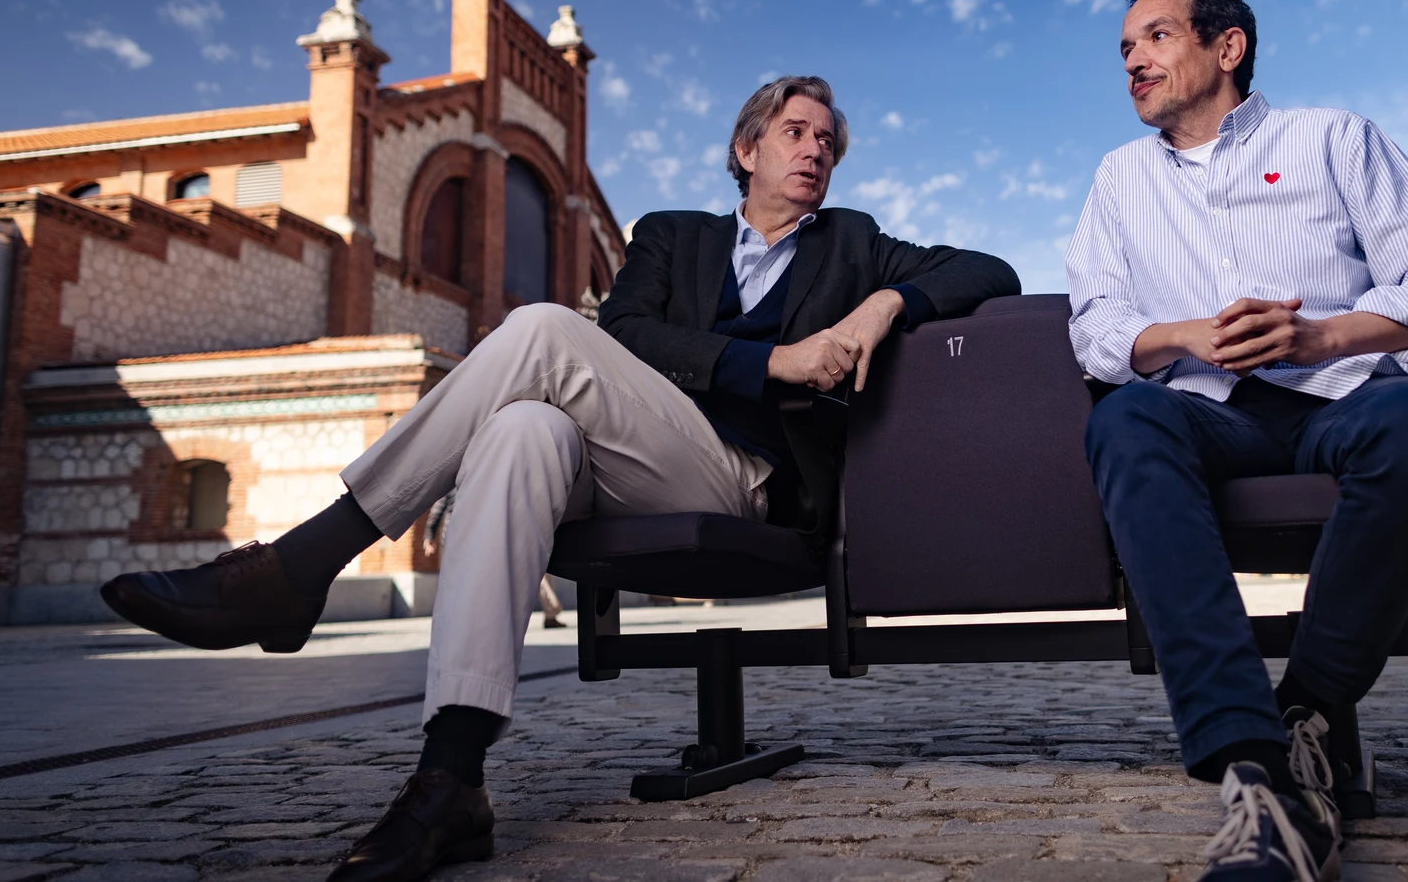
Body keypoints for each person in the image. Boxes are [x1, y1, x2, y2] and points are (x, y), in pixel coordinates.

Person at [101, 75, 1019, 882]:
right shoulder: (671, 236)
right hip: (631, 452)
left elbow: (992, 269)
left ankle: (302, 565)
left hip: (745, 478)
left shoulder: (852, 244)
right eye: (796, 131)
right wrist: (777, 361)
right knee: (525, 429)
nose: (816, 148)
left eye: (828, 140)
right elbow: (624, 340)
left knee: (541, 330)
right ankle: (452, 778)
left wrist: (887, 301)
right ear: (745, 149)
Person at [1066, 0, 1408, 882]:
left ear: (1228, 47)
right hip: (1205, 410)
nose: (1134, 60)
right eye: (1125, 49)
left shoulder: (1333, 138)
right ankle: (1250, 760)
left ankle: (1309, 706)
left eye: (1155, 38)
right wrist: (1181, 333)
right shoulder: (1117, 179)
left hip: (1344, 391)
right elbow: (1094, 326)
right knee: (1127, 423)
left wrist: (1320, 331)